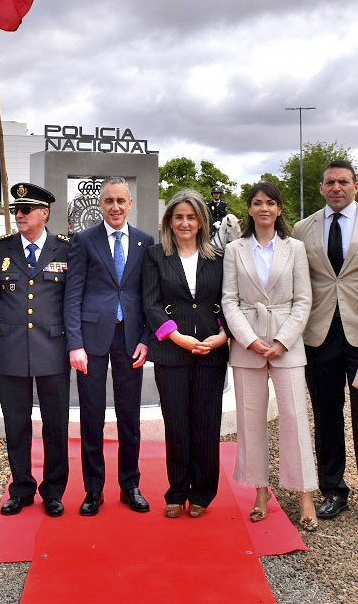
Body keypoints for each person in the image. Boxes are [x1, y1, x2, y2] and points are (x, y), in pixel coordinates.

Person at [291, 161, 358, 526]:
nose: (337, 187)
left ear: (356, 186)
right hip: (319, 336)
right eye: (330, 182)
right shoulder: (302, 230)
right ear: (320, 188)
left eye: (344, 182)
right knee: (327, 416)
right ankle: (333, 490)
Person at [221, 181, 318, 528]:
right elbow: (229, 300)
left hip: (287, 344)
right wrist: (248, 340)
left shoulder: (295, 248)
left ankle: (305, 494)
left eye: (270, 203)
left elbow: (303, 300)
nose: (264, 208)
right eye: (257, 203)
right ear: (249, 209)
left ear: (279, 209)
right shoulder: (235, 249)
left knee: (294, 419)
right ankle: (260, 491)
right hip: (247, 345)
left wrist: (282, 340)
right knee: (250, 422)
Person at [64, 176, 154, 516]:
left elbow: (149, 297)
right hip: (91, 341)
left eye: (121, 201)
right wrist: (75, 343)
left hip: (130, 340)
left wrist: (146, 339)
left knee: (129, 416)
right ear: (100, 205)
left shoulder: (145, 243)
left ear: (130, 204)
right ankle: (94, 489)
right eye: (108, 201)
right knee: (92, 416)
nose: (115, 207)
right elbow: (73, 295)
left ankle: (130, 485)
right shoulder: (85, 241)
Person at [142, 189, 228, 519]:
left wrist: (223, 336)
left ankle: (203, 492)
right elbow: (149, 303)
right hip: (171, 351)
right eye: (178, 216)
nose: (185, 223)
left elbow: (230, 299)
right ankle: (177, 490)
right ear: (169, 221)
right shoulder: (155, 255)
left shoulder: (218, 257)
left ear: (202, 221)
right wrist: (175, 336)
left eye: (191, 217)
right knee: (177, 423)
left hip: (212, 349)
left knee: (206, 424)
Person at [0, 183, 70, 518]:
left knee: (55, 425)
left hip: (53, 347)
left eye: (26, 210)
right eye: (15, 210)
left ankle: (53, 491)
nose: (19, 215)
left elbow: (71, 297)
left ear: (44, 213)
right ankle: (21, 488)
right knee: (16, 423)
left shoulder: (66, 248)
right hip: (11, 347)